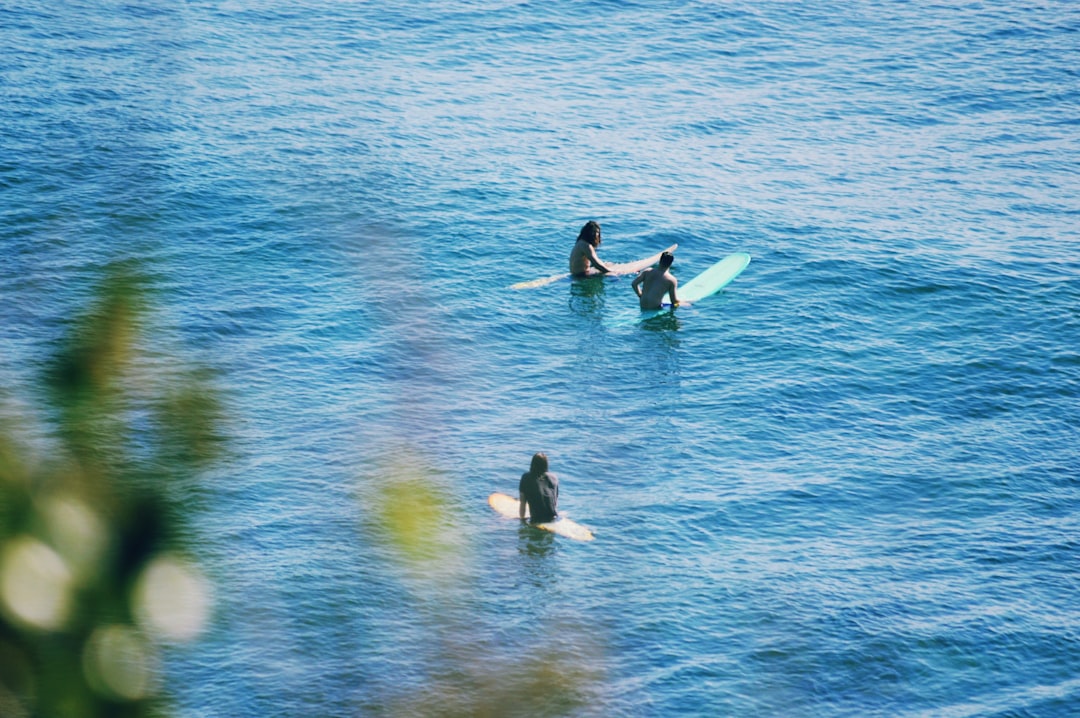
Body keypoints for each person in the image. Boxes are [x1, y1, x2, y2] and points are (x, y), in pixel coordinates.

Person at [519, 452, 559, 523]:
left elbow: (523, 503)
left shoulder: (526, 477)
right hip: (553, 516)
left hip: (536, 519)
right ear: (546, 464)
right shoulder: (554, 477)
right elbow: (555, 501)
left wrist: (522, 521)